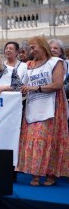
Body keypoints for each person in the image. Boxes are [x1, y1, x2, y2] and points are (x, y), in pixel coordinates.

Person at [17, 36, 69, 186]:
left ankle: (50, 174)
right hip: (33, 105)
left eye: (33, 47)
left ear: (42, 46)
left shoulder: (55, 62)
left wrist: (36, 88)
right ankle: (36, 174)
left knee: (48, 138)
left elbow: (58, 84)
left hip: (52, 105)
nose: (31, 50)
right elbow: (22, 84)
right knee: (33, 138)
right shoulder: (29, 65)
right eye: (30, 48)